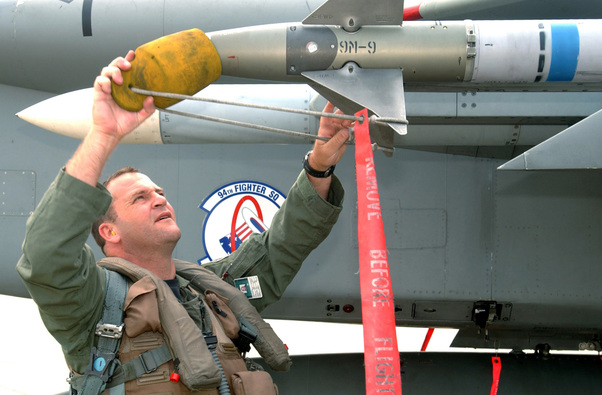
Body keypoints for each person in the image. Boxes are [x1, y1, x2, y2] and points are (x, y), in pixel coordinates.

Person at [16, 51, 351, 393]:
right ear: (109, 231)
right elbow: (45, 255)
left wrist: (319, 166)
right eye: (140, 198)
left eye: (158, 192)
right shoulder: (95, 302)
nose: (160, 199)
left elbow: (282, 246)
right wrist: (103, 134)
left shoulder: (213, 294)